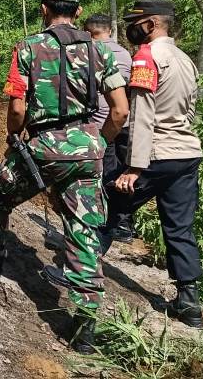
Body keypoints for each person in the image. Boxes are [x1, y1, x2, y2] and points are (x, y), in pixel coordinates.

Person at [0, 0, 129, 354]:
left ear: (43, 9)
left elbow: (17, 109)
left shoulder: (29, 47)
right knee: (83, 229)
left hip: (43, 146)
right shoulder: (101, 51)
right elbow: (120, 111)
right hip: (86, 148)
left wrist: (13, 136)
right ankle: (85, 329)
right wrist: (98, 141)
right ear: (79, 12)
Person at [100, 0, 203, 329]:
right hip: (187, 154)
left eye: (135, 22)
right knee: (179, 227)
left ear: (150, 25)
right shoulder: (185, 60)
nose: (131, 28)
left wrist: (134, 166)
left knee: (107, 200)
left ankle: (79, 269)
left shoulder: (146, 57)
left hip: (157, 154)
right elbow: (188, 110)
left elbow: (142, 115)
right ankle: (190, 305)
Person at [84, 13, 135, 243]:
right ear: (110, 31)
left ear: (88, 33)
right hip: (121, 123)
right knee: (120, 175)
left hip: (97, 125)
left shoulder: (86, 53)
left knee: (99, 176)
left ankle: (101, 223)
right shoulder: (125, 54)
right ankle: (123, 224)